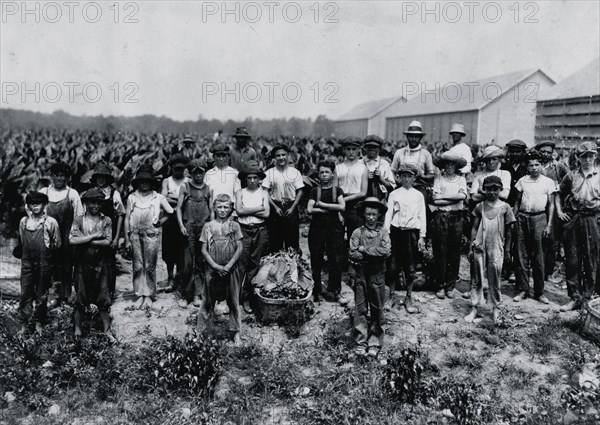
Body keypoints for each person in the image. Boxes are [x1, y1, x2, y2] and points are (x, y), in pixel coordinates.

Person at [465, 176, 516, 324]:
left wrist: (506, 250)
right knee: (477, 277)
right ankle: (474, 307)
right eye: (489, 189)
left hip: (496, 245)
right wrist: (471, 246)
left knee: (495, 276)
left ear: (500, 189)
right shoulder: (479, 206)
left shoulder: (505, 207)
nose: (492, 192)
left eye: (495, 189)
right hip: (480, 245)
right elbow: (474, 228)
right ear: (484, 190)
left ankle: (496, 308)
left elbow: (509, 232)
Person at [556, 142, 600, 312]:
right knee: (573, 259)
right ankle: (574, 297)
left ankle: (588, 298)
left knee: (591, 260)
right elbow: (558, 193)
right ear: (578, 158)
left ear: (595, 156)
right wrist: (560, 212)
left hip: (592, 219)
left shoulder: (599, 175)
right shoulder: (572, 176)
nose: (587, 159)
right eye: (584, 156)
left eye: (591, 155)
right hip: (573, 219)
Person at [124, 166, 174, 310]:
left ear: (152, 183)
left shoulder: (158, 197)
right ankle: (139, 294)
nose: (144, 183)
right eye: (142, 181)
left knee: (149, 265)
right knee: (138, 265)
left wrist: (160, 222)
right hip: (135, 234)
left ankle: (149, 295)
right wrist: (127, 239)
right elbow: (127, 217)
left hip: (151, 234)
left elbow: (170, 212)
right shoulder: (132, 197)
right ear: (138, 182)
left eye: (147, 181)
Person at [198, 194, 244, 345]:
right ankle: (204, 333)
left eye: (226, 207)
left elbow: (240, 247)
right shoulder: (208, 226)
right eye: (220, 207)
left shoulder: (235, 226)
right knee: (207, 300)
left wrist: (229, 265)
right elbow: (204, 250)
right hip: (212, 269)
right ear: (214, 208)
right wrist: (215, 266)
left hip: (231, 268)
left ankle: (235, 331)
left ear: (231, 209)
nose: (223, 210)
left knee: (233, 299)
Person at [512, 151, 557, 304]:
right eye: (531, 165)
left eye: (537, 164)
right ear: (527, 166)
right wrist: (514, 219)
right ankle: (523, 289)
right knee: (521, 254)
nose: (534, 168)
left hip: (540, 218)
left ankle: (539, 292)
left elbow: (551, 205)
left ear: (541, 165)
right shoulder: (522, 181)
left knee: (539, 256)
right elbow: (517, 202)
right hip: (523, 218)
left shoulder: (548, 182)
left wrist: (549, 224)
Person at [349, 197, 391, 358]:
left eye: (374, 214)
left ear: (379, 215)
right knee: (360, 307)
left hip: (377, 273)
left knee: (377, 306)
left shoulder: (383, 232)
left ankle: (375, 341)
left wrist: (364, 250)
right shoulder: (357, 232)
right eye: (368, 214)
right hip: (360, 273)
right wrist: (373, 252)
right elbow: (353, 253)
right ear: (363, 215)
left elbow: (385, 252)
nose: (371, 217)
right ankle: (361, 340)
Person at [69, 188, 113, 338]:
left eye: (99, 203)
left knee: (103, 295)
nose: (95, 205)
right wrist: (94, 236)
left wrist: (86, 240)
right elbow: (72, 239)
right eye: (92, 202)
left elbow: (108, 241)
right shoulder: (79, 220)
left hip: (101, 263)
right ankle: (77, 329)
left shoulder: (106, 220)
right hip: (82, 263)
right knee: (81, 296)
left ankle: (107, 330)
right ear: (86, 203)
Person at [383, 163, 427, 314]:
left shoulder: (418, 195)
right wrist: (386, 234)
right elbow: (388, 214)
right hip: (396, 233)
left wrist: (422, 236)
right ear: (399, 177)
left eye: (409, 176)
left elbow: (422, 216)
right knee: (393, 266)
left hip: (411, 234)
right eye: (404, 176)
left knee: (410, 267)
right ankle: (391, 296)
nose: (406, 179)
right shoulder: (395, 194)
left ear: (414, 178)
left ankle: (409, 297)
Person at [17, 191, 61, 336]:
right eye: (32, 204)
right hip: (27, 262)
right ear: (28, 205)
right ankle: (24, 324)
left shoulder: (50, 222)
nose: (35, 207)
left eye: (38, 203)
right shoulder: (24, 221)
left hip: (44, 263)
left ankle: (39, 323)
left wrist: (49, 260)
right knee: (25, 293)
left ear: (44, 205)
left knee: (41, 294)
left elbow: (57, 244)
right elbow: (23, 242)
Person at [40, 161, 84, 309]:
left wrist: (73, 233)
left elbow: (79, 215)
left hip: (66, 234)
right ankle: (53, 296)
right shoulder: (44, 192)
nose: (59, 179)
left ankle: (65, 296)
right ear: (52, 176)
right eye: (57, 175)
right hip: (50, 234)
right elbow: (36, 211)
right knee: (49, 265)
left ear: (67, 177)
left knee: (66, 265)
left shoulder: (72, 193)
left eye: (63, 176)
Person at [307, 160, 346, 302]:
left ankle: (335, 291)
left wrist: (323, 206)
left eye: (327, 172)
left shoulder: (338, 191)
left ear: (332, 174)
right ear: (318, 174)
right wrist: (329, 208)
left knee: (335, 259)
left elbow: (342, 207)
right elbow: (310, 209)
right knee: (316, 258)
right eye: (321, 172)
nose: (324, 175)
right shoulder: (314, 191)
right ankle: (316, 290)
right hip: (317, 227)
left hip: (334, 228)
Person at [430, 153, 468, 299]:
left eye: (453, 165)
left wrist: (444, 198)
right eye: (447, 164)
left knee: (454, 251)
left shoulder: (461, 180)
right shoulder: (439, 179)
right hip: (442, 216)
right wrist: (452, 199)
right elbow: (435, 200)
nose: (450, 167)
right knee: (440, 250)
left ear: (456, 166)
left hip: (457, 217)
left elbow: (462, 197)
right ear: (443, 166)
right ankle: (441, 285)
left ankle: (450, 286)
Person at [176, 159, 212, 308]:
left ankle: (198, 294)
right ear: (190, 173)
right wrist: (181, 226)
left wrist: (212, 228)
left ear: (204, 173)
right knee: (187, 263)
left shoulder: (208, 189)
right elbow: (178, 208)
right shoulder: (185, 187)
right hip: (189, 228)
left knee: (201, 262)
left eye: (201, 172)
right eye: (195, 172)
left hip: (203, 228)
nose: (198, 175)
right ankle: (185, 295)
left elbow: (211, 211)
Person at [235, 160, 270, 314]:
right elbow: (239, 211)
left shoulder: (263, 193)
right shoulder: (240, 193)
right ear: (245, 179)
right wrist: (258, 208)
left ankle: (246, 297)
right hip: (243, 230)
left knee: (254, 265)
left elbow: (267, 214)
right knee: (240, 264)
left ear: (259, 179)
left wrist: (247, 209)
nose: (252, 180)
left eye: (255, 178)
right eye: (249, 178)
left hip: (259, 229)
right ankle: (234, 297)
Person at [535, 140, 569, 280]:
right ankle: (537, 270)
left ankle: (547, 272)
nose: (546, 154)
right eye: (543, 151)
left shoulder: (558, 167)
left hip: (554, 208)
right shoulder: (534, 165)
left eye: (549, 152)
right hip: (538, 207)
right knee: (537, 240)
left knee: (552, 241)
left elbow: (568, 182)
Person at [90, 163, 125, 299]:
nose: (101, 180)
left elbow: (121, 214)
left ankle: (109, 293)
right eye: (98, 177)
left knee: (109, 264)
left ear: (107, 178)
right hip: (94, 234)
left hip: (109, 234)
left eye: (103, 177)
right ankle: (95, 293)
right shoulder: (92, 192)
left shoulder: (114, 194)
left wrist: (116, 238)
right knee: (94, 263)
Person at [336, 136, 368, 279]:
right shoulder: (338, 168)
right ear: (344, 150)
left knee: (354, 237)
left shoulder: (362, 168)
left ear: (359, 150)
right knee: (338, 236)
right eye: (348, 149)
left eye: (354, 149)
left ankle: (353, 270)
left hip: (356, 204)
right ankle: (340, 268)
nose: (351, 152)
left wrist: (344, 199)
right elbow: (335, 188)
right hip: (340, 205)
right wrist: (339, 204)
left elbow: (363, 192)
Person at [262, 144, 305, 253]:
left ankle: (293, 266)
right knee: (275, 240)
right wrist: (275, 207)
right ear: (274, 158)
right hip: (275, 206)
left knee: (292, 241)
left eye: (283, 155)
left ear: (288, 155)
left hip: (291, 206)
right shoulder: (269, 173)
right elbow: (265, 192)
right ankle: (277, 266)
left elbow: (300, 191)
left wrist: (293, 207)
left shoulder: (295, 172)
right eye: (278, 155)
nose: (281, 158)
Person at [161, 154, 189, 292]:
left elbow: (188, 199)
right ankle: (170, 277)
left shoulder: (188, 181)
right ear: (171, 168)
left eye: (181, 169)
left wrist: (173, 198)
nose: (178, 172)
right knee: (168, 250)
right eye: (175, 169)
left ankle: (179, 278)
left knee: (181, 250)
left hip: (183, 219)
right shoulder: (167, 181)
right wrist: (180, 199)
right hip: (169, 219)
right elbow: (163, 198)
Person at [390, 120, 435, 198]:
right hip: (401, 187)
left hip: (419, 188)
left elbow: (431, 175)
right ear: (407, 136)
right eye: (411, 136)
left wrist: (423, 176)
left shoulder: (426, 154)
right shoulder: (399, 152)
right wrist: (398, 181)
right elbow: (392, 171)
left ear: (420, 137)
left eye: (416, 136)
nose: (414, 139)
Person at [205, 143, 241, 210]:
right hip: (213, 210)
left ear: (228, 157)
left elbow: (238, 195)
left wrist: (234, 213)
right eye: (218, 156)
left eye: (223, 156)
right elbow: (205, 195)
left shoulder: (234, 173)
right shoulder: (209, 174)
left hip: (230, 210)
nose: (221, 159)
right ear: (213, 157)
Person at [362, 135, 395, 201]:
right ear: (365, 148)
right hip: (362, 199)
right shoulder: (360, 163)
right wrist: (365, 179)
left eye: (375, 147)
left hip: (381, 199)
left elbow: (391, 187)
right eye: (369, 147)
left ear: (379, 149)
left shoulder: (384, 164)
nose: (372, 149)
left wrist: (381, 179)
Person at [501, 139, 528, 207]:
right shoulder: (503, 167)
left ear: (523, 153)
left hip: (522, 206)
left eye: (518, 152)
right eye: (512, 151)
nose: (514, 154)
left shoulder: (527, 168)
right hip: (506, 205)